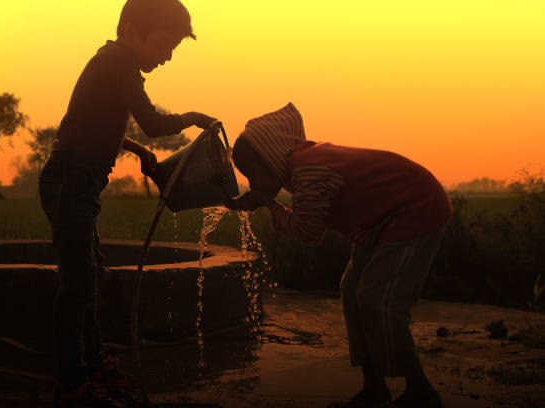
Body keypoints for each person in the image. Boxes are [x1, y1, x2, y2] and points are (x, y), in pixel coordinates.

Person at [38, 1, 216, 407]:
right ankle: (70, 384)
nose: (167, 56)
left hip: (76, 183)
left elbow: (98, 123)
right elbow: (153, 122)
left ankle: (93, 362)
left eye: (173, 49)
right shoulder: (119, 62)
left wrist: (135, 150)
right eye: (164, 45)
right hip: (70, 183)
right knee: (78, 283)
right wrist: (191, 116)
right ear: (133, 32)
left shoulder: (112, 63)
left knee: (89, 273)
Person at [225, 102, 453, 408]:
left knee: (378, 301)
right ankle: (374, 387)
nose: (253, 184)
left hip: (415, 209)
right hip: (382, 219)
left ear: (271, 157)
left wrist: (269, 203)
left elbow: (308, 234)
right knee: (352, 290)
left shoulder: (308, 171)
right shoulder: (304, 165)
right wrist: (269, 201)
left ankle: (421, 391)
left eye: (253, 175)